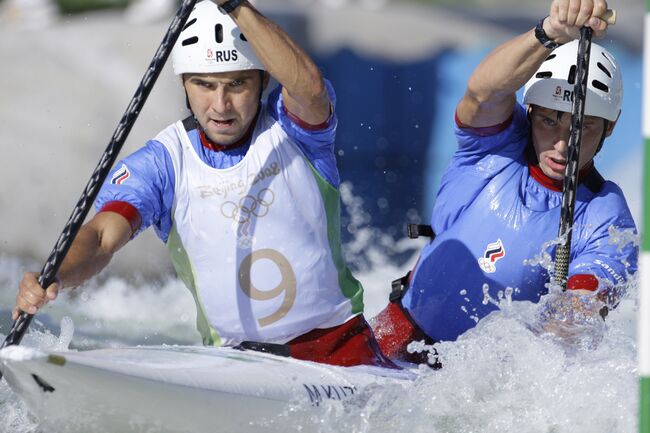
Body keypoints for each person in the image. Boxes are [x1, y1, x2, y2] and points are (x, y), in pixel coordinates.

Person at [13, 0, 394, 369]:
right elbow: (100, 237)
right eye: (205, 85)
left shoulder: (295, 129)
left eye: (237, 84)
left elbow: (310, 89)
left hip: (341, 355)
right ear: (184, 83)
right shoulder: (163, 161)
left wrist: (234, 4)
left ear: (262, 81)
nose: (221, 105)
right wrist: (56, 274)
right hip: (236, 363)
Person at [372, 0, 638, 364]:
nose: (562, 144)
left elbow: (578, 317)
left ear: (610, 126)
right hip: (392, 338)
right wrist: (550, 33)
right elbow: (483, 92)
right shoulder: (491, 147)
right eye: (549, 121)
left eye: (581, 127)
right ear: (529, 111)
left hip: (478, 380)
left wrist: (563, 324)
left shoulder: (608, 219)